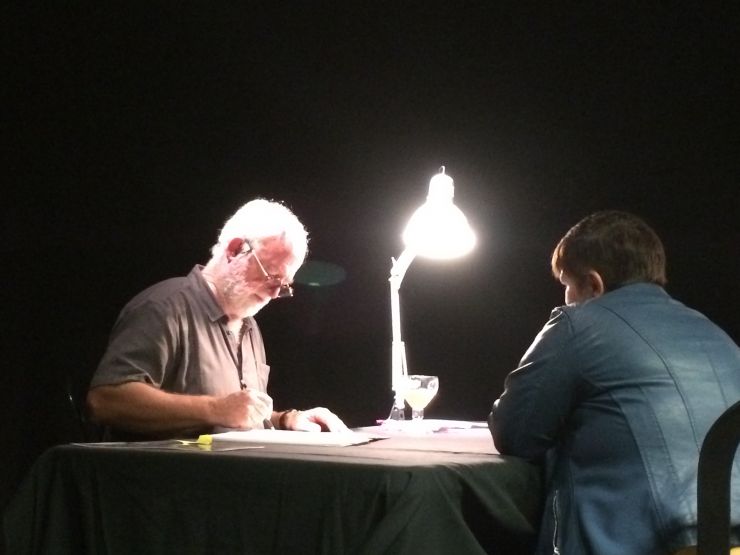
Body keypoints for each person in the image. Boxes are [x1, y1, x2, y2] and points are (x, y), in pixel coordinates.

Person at [488, 210, 740, 555]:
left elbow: (515, 433)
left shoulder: (578, 323)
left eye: (566, 285)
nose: (565, 297)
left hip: (651, 545)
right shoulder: (716, 334)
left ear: (594, 284)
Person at [87, 198, 348, 440]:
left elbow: (237, 417)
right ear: (235, 250)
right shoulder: (164, 307)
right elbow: (106, 401)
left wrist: (285, 419)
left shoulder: (249, 327)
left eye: (284, 285)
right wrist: (215, 408)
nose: (274, 293)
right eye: (271, 276)